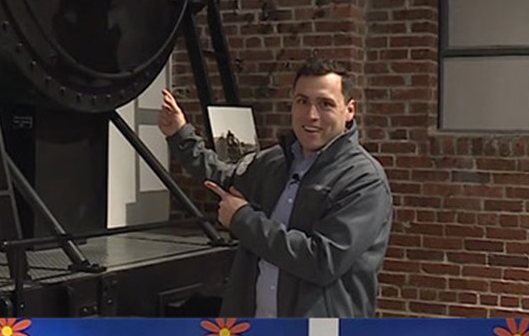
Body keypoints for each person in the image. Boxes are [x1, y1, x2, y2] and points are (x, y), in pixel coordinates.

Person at [159, 58, 393, 317]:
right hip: (254, 327)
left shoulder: (363, 180)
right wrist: (180, 135)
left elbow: (322, 261)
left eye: (325, 104)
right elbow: (224, 177)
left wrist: (243, 219)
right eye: (302, 101)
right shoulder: (274, 161)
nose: (311, 115)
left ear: (349, 110)